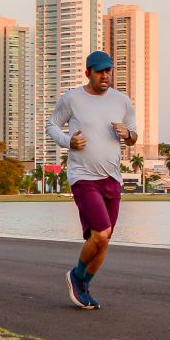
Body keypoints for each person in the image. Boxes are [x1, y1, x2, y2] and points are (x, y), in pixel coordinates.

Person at [46, 50, 137, 309]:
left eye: (108, 71)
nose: (105, 75)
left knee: (103, 239)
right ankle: (76, 275)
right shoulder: (72, 98)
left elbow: (133, 138)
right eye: (99, 71)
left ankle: (84, 284)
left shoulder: (122, 101)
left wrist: (127, 133)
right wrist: (68, 141)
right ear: (88, 73)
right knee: (102, 231)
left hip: (112, 178)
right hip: (83, 177)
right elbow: (52, 124)